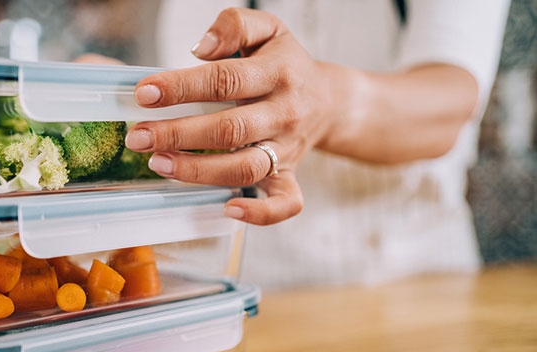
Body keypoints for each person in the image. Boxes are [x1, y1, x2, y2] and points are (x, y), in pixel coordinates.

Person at [81, 1, 510, 288]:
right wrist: (131, 101)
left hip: (418, 281)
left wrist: (324, 101)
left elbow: (451, 100)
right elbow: (206, 99)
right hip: (254, 283)